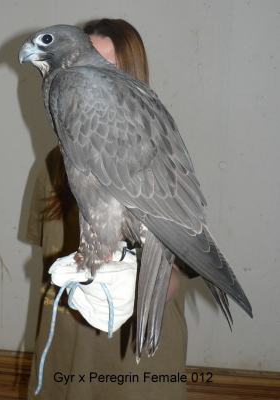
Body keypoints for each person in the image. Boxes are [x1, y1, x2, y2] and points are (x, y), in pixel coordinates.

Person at [26, 18, 188, 400]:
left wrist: (131, 285)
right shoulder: (54, 164)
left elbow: (176, 274)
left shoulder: (158, 159)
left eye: (105, 69)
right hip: (69, 356)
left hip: (137, 371)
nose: (87, 80)